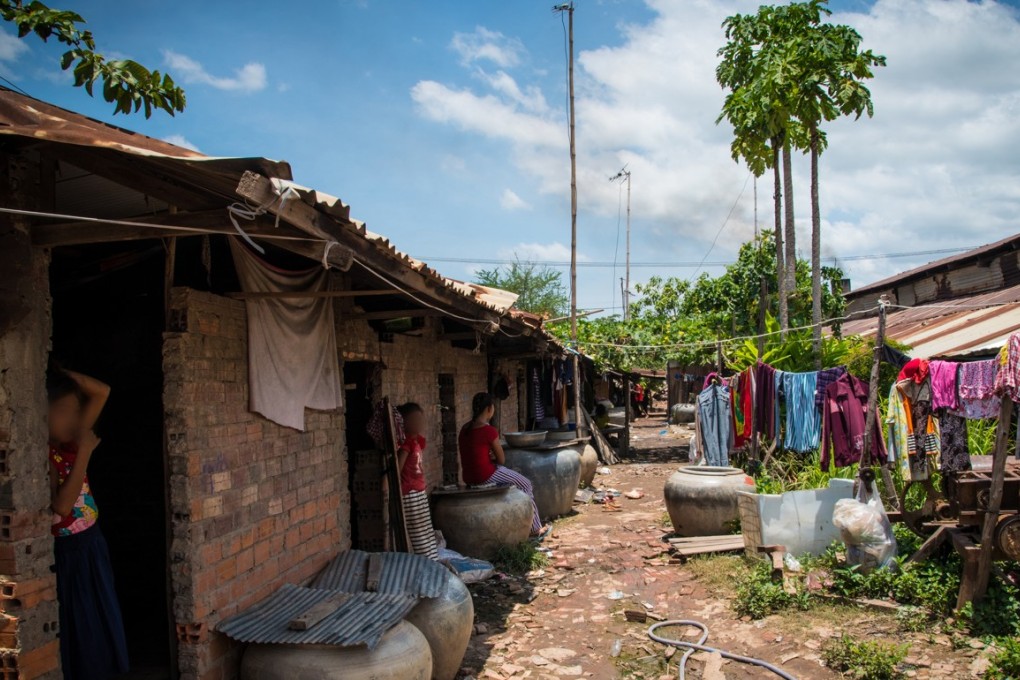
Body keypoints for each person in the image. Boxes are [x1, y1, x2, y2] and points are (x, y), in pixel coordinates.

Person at [47, 366, 129, 679]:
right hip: (70, 554)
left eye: (76, 411)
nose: (73, 419)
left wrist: (58, 372)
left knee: (100, 621)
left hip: (92, 545)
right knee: (83, 630)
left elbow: (102, 391)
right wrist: (84, 453)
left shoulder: (67, 443)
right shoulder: (49, 453)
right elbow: (62, 505)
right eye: (63, 411)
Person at [458, 393, 548, 537]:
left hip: (468, 476)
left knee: (506, 473)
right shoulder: (489, 431)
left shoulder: (464, 429)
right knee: (526, 484)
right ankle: (535, 528)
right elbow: (501, 460)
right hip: (485, 475)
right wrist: (492, 456)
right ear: (489, 409)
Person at [396, 402, 438, 560]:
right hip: (410, 493)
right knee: (419, 533)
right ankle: (428, 562)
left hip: (419, 491)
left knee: (427, 529)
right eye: (414, 420)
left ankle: (433, 561)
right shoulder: (406, 444)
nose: (419, 424)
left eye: (421, 420)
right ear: (404, 423)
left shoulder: (415, 441)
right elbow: (397, 468)